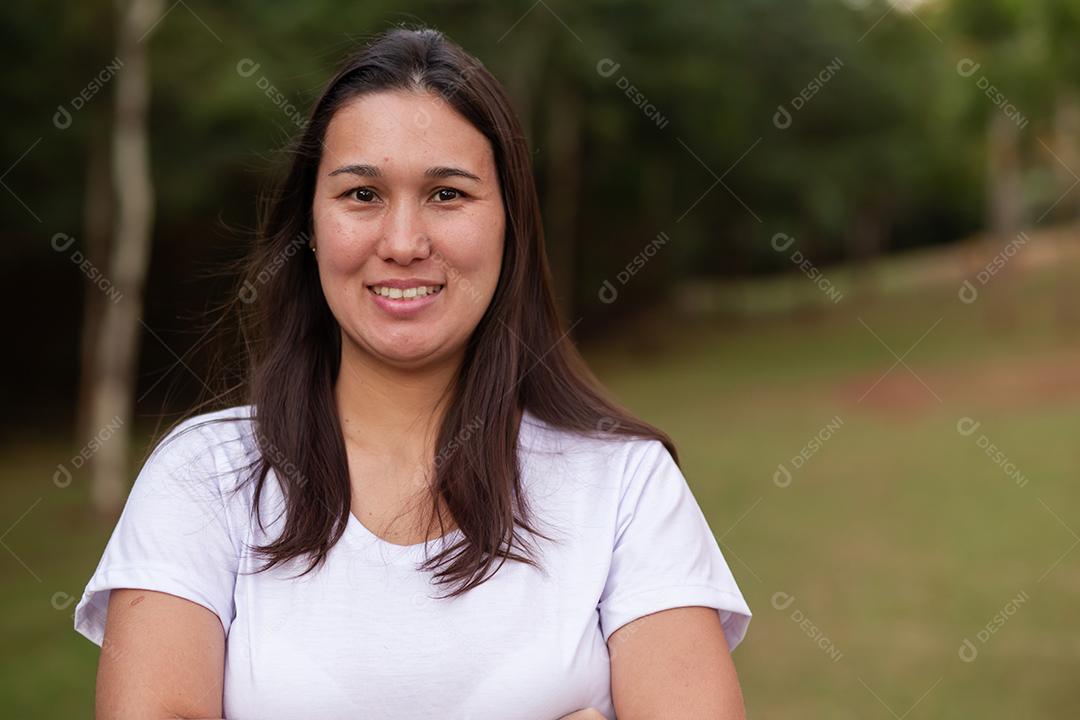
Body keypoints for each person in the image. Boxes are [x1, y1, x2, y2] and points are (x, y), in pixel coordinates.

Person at [74, 26, 752, 719]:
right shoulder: (202, 481)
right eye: (362, 195)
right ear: (309, 226)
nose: (403, 243)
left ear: (509, 224)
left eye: (448, 194)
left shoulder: (626, 487)